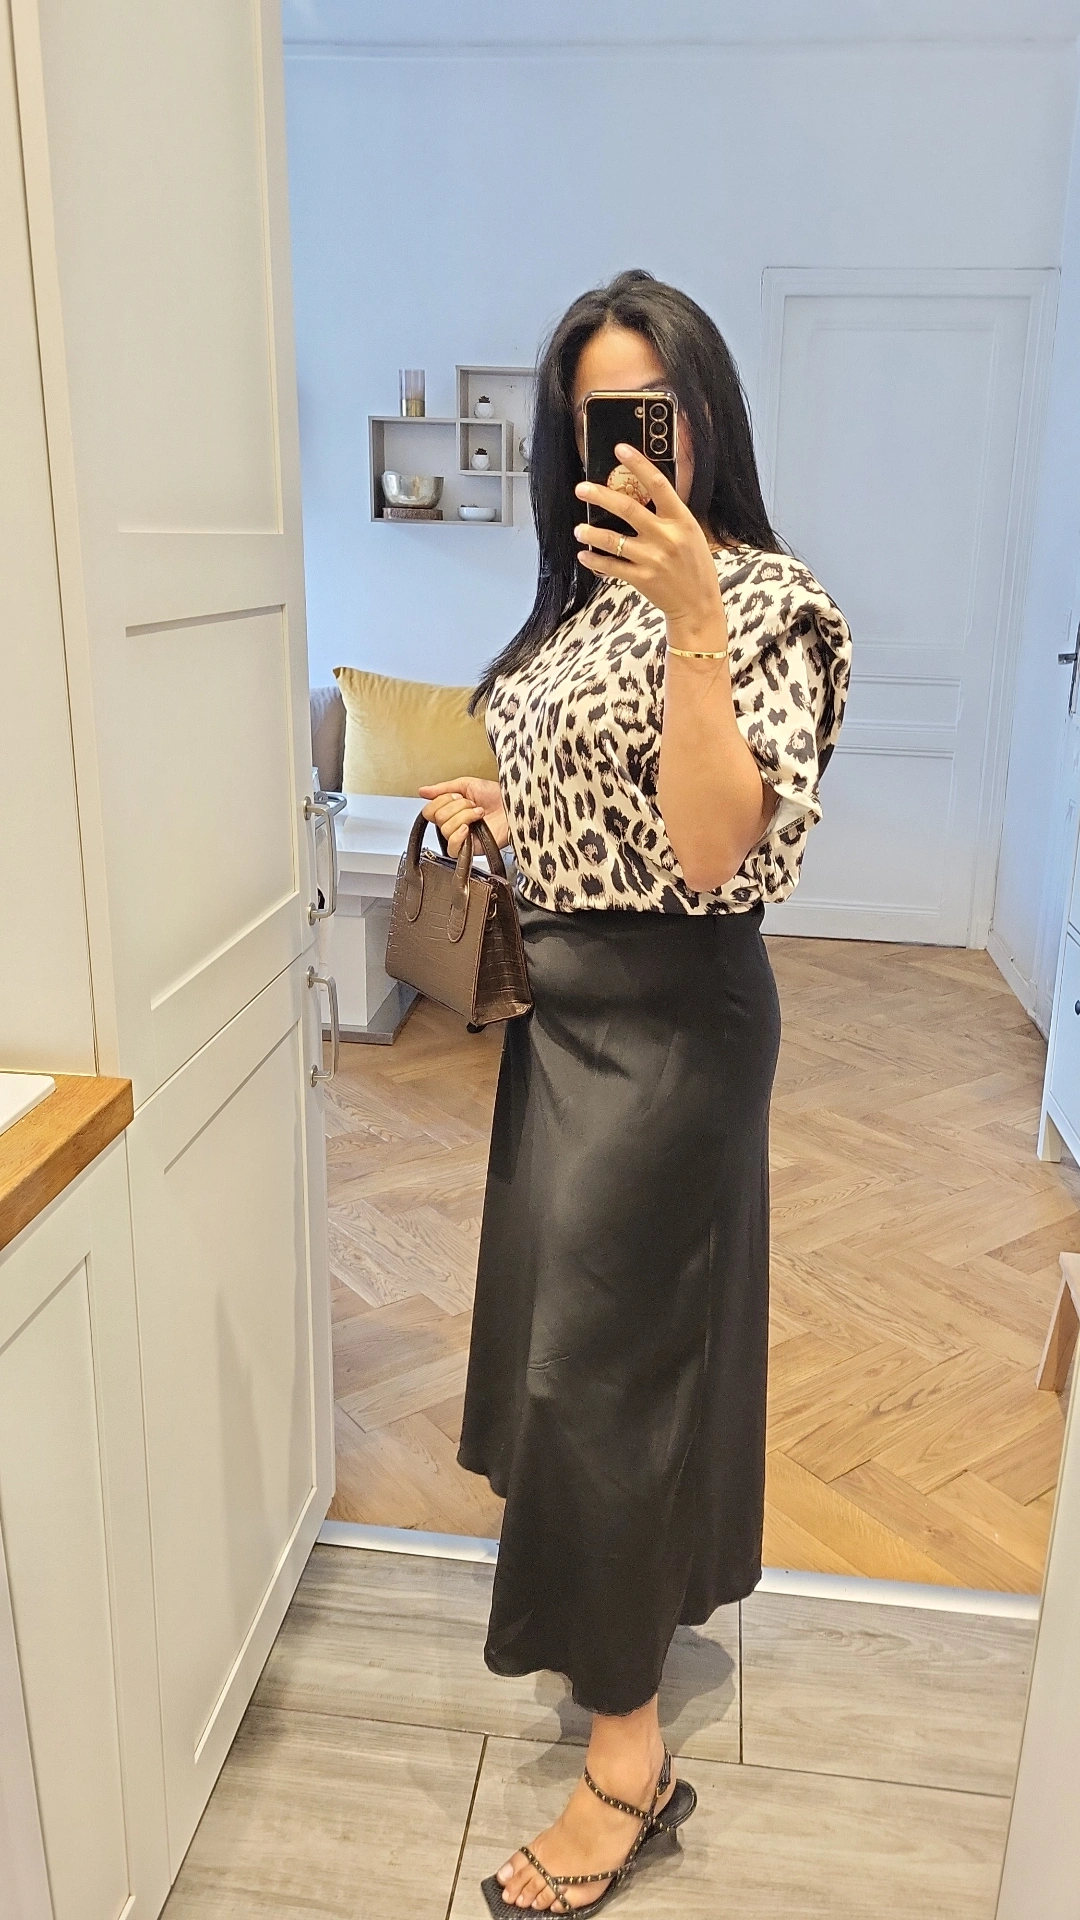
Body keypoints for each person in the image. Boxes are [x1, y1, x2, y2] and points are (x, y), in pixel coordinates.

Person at [419, 269, 852, 1916]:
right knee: (578, 1359)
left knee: (601, 1376)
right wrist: (505, 807)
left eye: (648, 412)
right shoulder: (573, 604)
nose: (621, 447)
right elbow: (595, 805)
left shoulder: (766, 602)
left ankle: (627, 1768)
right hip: (562, 1016)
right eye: (593, 420)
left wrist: (691, 620)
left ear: (704, 419)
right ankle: (616, 1631)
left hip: (674, 1032)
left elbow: (713, 849)